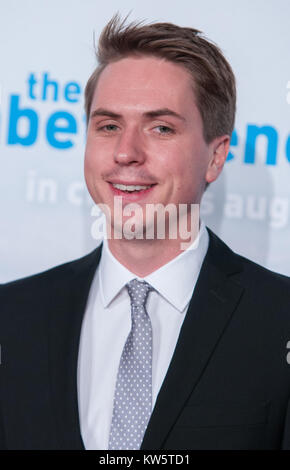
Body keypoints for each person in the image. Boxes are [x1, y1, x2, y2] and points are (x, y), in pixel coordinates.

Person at [1, 15, 290, 451]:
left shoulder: (279, 320)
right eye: (109, 125)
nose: (125, 152)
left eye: (161, 128)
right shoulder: (12, 316)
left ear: (215, 156)